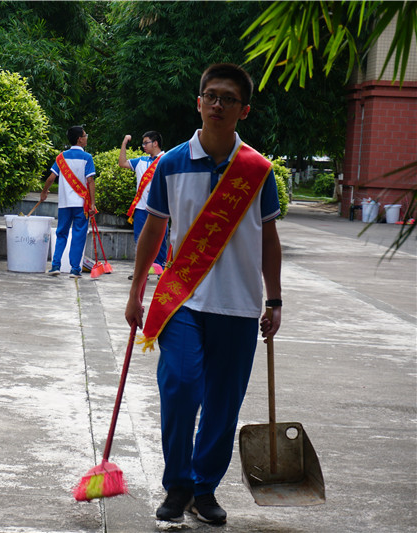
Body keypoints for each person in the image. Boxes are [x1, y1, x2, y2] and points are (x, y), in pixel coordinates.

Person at [124, 63, 282, 525]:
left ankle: (204, 488)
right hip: (182, 301)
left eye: (228, 99)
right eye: (211, 96)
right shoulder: (171, 163)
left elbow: (268, 240)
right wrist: (136, 292)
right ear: (199, 102)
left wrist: (274, 300)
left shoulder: (257, 170)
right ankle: (177, 486)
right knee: (180, 386)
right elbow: (153, 229)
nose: (217, 104)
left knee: (222, 404)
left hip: (238, 304)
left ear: (243, 110)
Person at [40, 125, 97, 278]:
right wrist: (92, 203)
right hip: (81, 205)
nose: (86, 137)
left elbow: (51, 178)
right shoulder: (87, 158)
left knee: (61, 234)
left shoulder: (61, 157)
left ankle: (55, 266)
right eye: (85, 135)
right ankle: (74, 269)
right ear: (79, 139)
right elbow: (90, 180)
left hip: (64, 204)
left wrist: (44, 192)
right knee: (79, 235)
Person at [119, 130, 168, 278]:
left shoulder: (167, 159)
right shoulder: (140, 161)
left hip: (160, 208)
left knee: (160, 239)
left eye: (146, 143)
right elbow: (122, 163)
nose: (143, 146)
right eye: (143, 143)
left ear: (155, 143)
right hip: (141, 208)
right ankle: (141, 271)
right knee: (139, 240)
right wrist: (124, 143)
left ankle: (161, 269)